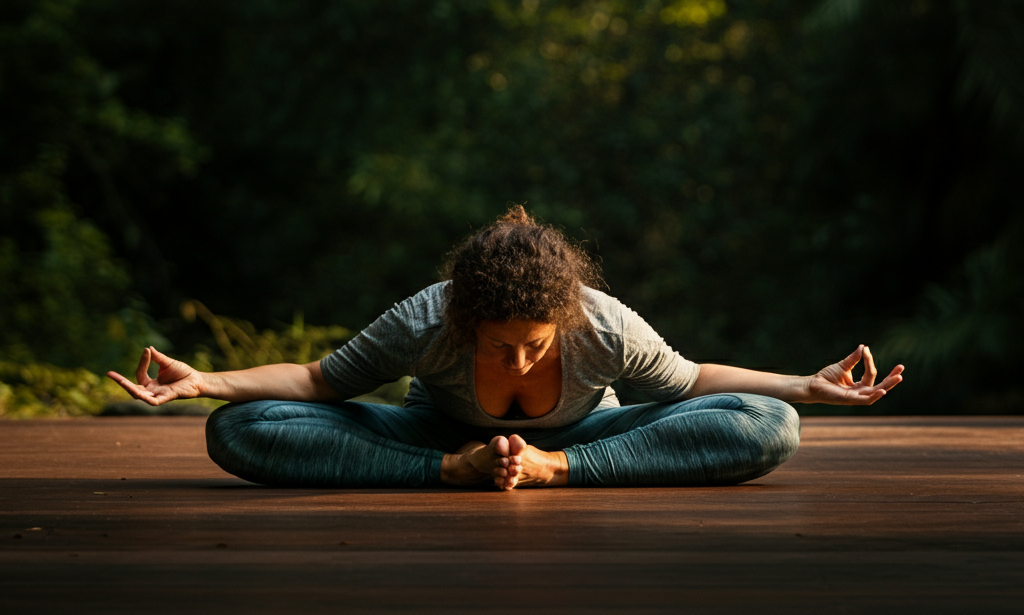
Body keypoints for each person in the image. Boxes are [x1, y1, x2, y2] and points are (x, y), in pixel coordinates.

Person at [108, 206, 904, 490]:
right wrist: (203, 381)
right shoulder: (427, 318)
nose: (518, 362)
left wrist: (805, 384)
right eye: (498, 346)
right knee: (238, 431)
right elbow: (319, 380)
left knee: (768, 427)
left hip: (585, 439)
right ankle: (446, 476)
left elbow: (692, 380)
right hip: (432, 439)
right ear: (464, 323)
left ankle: (558, 473)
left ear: (562, 319)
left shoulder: (602, 324)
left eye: (533, 346)